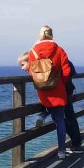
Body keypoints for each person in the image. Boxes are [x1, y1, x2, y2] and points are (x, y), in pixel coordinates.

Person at [21, 26, 74, 159]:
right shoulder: (59, 50)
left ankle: (43, 115)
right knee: (60, 121)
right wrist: (59, 81)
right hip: (58, 89)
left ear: (40, 36)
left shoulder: (32, 52)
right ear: (51, 35)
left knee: (48, 106)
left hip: (43, 90)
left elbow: (32, 70)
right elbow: (67, 71)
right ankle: (61, 151)